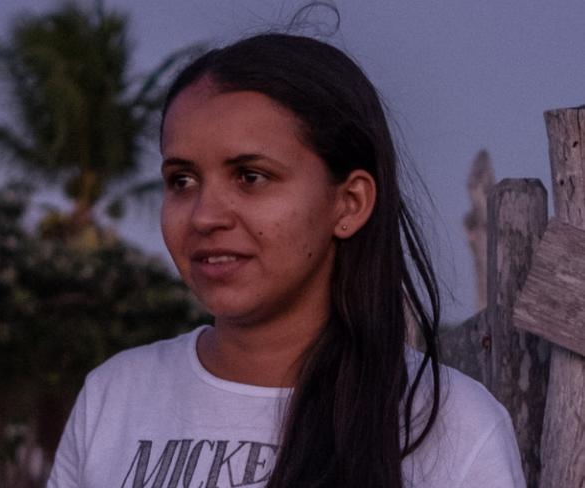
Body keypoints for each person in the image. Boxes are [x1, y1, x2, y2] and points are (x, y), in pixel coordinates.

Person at [47, 34, 525, 488]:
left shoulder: (449, 424)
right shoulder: (116, 395)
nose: (205, 215)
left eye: (251, 176)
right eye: (182, 181)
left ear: (350, 203)